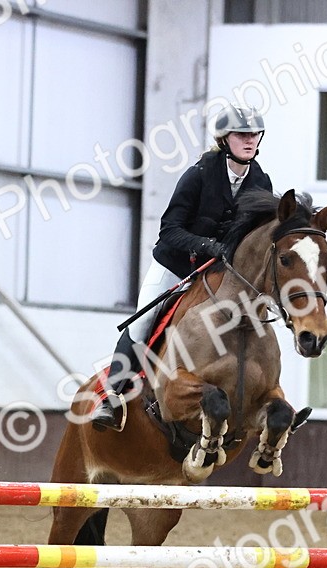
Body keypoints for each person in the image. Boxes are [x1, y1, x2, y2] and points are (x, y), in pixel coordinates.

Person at [90, 105, 273, 431]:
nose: (248, 140)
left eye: (253, 134)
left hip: (221, 275)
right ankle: (110, 395)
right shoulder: (199, 174)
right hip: (176, 265)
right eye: (241, 135)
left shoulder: (261, 181)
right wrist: (208, 246)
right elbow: (169, 230)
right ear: (225, 139)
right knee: (143, 321)